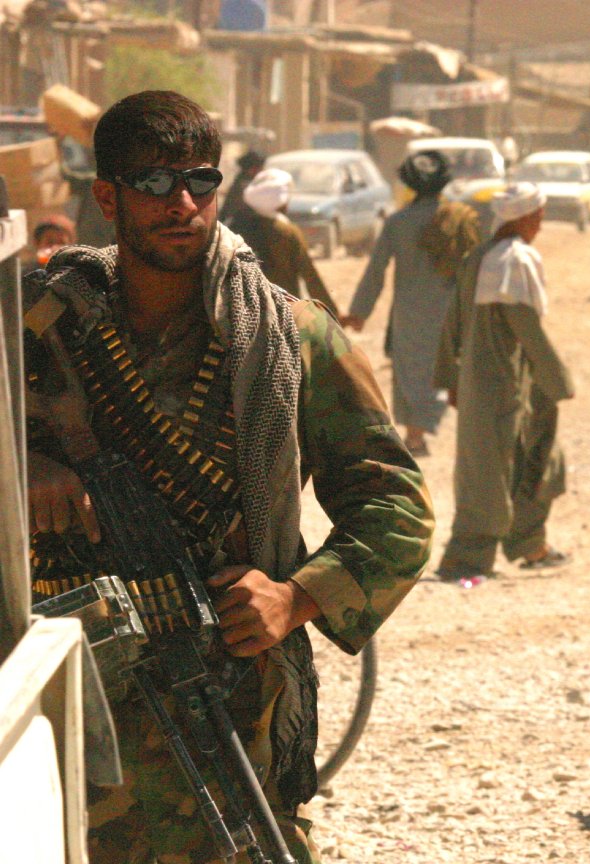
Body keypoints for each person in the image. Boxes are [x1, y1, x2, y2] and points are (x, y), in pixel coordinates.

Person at [23, 90, 434, 863]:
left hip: (230, 707)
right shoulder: (39, 329)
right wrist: (18, 469)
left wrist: (295, 597)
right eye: (154, 183)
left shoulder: (289, 337)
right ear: (107, 199)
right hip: (65, 708)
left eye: (200, 182)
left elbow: (396, 507)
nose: (181, 204)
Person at [433, 182, 574, 581]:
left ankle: (530, 544)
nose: (540, 225)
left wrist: (450, 378)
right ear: (523, 218)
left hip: (489, 382)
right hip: (502, 385)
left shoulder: (479, 257)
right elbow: (526, 328)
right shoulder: (513, 259)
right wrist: (559, 382)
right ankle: (466, 559)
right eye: (538, 217)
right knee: (490, 473)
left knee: (535, 460)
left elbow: (453, 322)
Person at [343, 150, 480, 456]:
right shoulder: (460, 218)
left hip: (409, 312)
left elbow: (376, 271)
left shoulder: (397, 222)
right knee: (446, 368)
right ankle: (447, 432)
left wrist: (359, 312)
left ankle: (415, 436)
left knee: (410, 372)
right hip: (450, 310)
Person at [228, 167, 340, 317]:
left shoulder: (235, 227)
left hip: (244, 313)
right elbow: (310, 276)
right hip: (284, 312)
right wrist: (332, 313)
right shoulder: (287, 232)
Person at [218, 148, 266, 226]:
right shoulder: (241, 184)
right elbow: (229, 207)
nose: (259, 170)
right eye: (256, 167)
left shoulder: (259, 181)